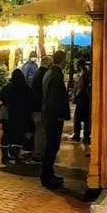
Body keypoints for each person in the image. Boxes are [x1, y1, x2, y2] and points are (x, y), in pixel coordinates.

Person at [40, 48, 71, 189]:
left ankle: (48, 174)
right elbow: (56, 98)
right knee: (52, 146)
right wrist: (59, 115)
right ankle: (47, 176)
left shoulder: (49, 73)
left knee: (51, 146)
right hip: (53, 117)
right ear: (63, 60)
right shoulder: (55, 75)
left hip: (49, 115)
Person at [0, 68, 35, 165]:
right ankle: (16, 155)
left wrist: (8, 102)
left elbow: (1, 96)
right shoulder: (26, 88)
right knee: (18, 136)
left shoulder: (7, 87)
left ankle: (5, 156)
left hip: (9, 116)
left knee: (6, 135)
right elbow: (31, 101)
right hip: (21, 116)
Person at [30, 55, 51, 162]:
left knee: (39, 130)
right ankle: (38, 154)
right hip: (40, 107)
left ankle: (38, 152)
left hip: (36, 107)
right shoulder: (44, 74)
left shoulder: (38, 74)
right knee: (40, 131)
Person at [71, 59, 91, 145]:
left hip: (82, 99)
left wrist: (75, 97)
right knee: (87, 119)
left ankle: (77, 135)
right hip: (88, 99)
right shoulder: (89, 73)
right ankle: (86, 137)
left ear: (79, 66)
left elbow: (80, 87)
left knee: (77, 118)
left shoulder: (83, 74)